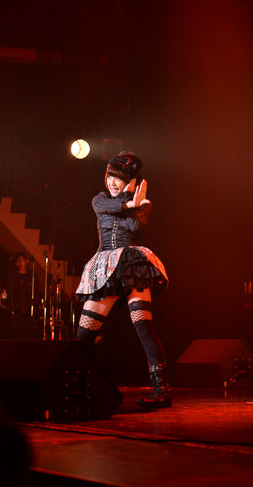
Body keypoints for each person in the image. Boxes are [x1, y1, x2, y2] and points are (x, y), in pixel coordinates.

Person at [75, 151, 171, 408]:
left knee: (144, 326)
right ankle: (84, 388)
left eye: (119, 178)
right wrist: (129, 204)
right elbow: (105, 208)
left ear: (131, 181)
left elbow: (135, 227)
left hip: (130, 265)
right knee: (83, 335)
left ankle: (161, 389)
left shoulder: (144, 203)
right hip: (104, 268)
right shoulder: (100, 199)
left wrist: (135, 201)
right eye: (110, 176)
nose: (112, 183)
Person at [7, 251, 34, 316]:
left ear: (26, 261)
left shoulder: (31, 276)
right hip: (15, 308)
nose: (20, 263)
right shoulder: (12, 276)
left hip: (28, 308)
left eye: (22, 260)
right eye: (18, 260)